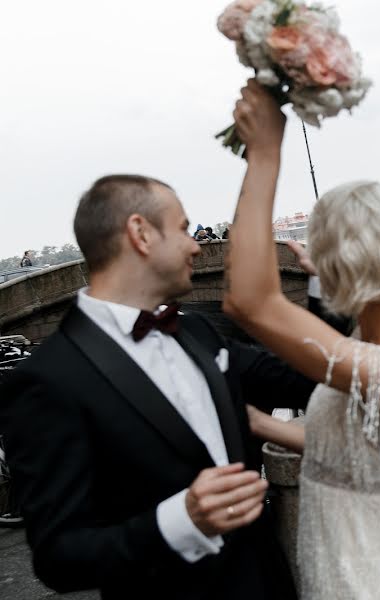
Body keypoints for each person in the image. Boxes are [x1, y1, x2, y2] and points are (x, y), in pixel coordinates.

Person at [0, 174, 333, 599]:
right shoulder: (47, 380)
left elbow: (308, 380)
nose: (196, 245)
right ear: (140, 233)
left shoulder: (197, 332)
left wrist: (325, 287)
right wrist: (181, 520)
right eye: (181, 229)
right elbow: (59, 558)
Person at [223, 80, 380, 599]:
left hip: (368, 577)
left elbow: (248, 300)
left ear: (343, 268)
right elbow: (351, 446)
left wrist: (263, 153)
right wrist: (262, 424)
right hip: (352, 550)